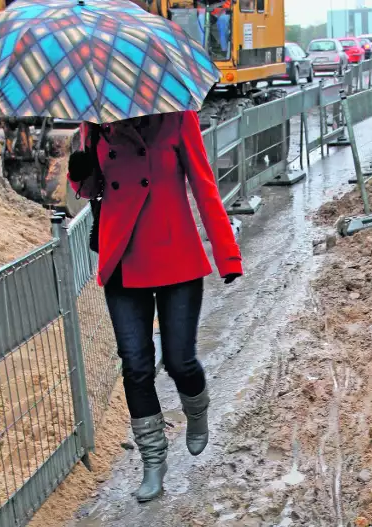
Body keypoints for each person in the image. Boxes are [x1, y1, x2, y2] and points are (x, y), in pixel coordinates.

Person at [67, 112, 243, 502]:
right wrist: (78, 173)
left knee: (180, 360)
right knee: (136, 364)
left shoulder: (177, 119)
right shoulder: (95, 124)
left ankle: (196, 411)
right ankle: (153, 460)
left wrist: (226, 253)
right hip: (122, 260)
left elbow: (203, 184)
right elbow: (91, 188)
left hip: (175, 255)